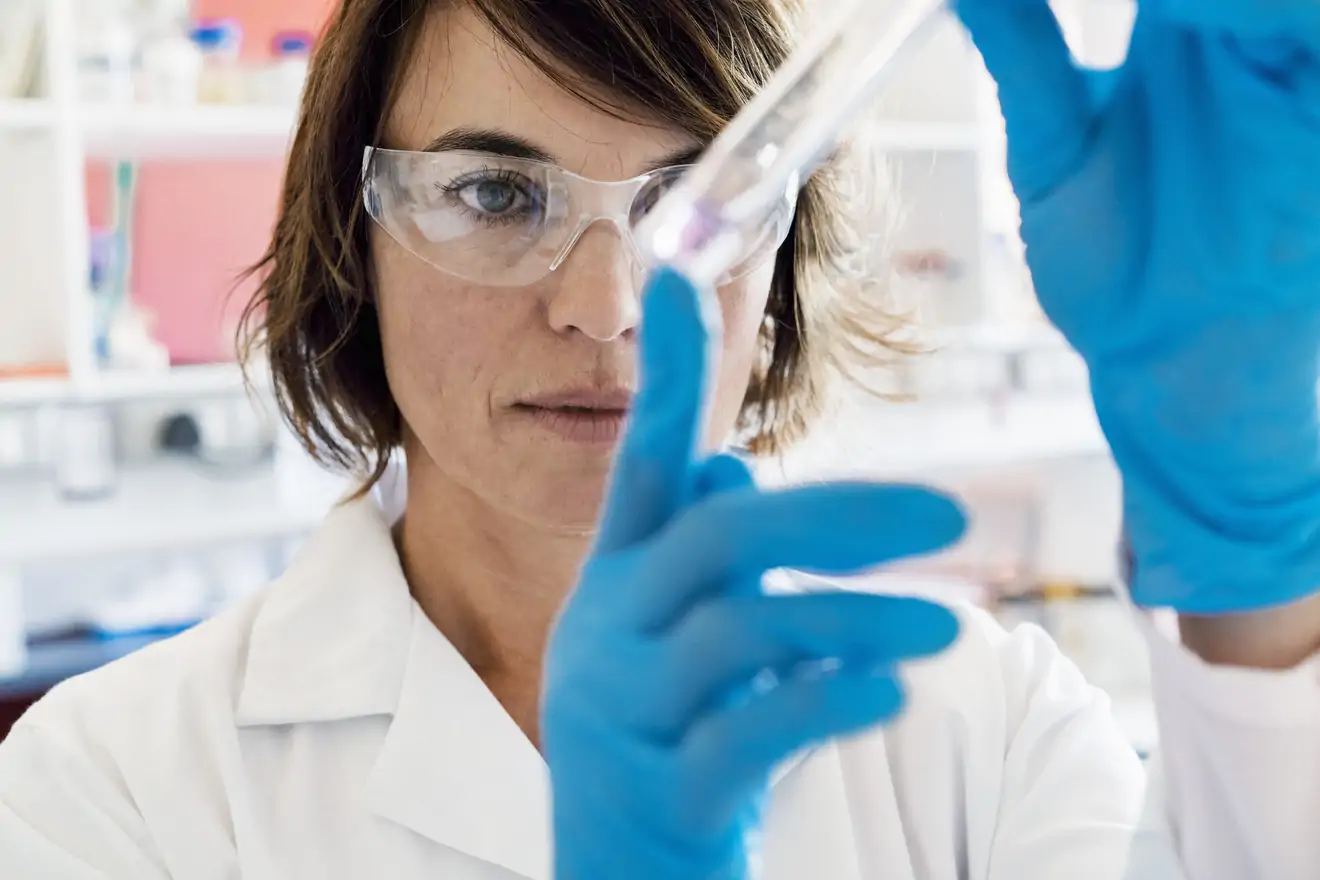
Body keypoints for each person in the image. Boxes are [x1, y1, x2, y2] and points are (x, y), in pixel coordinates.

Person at [2, 0, 1318, 877]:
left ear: (781, 256)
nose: (603, 305)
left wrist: (1257, 570)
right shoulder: (115, 784)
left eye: (699, 198)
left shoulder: (982, 727)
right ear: (356, 239)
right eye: (494, 192)